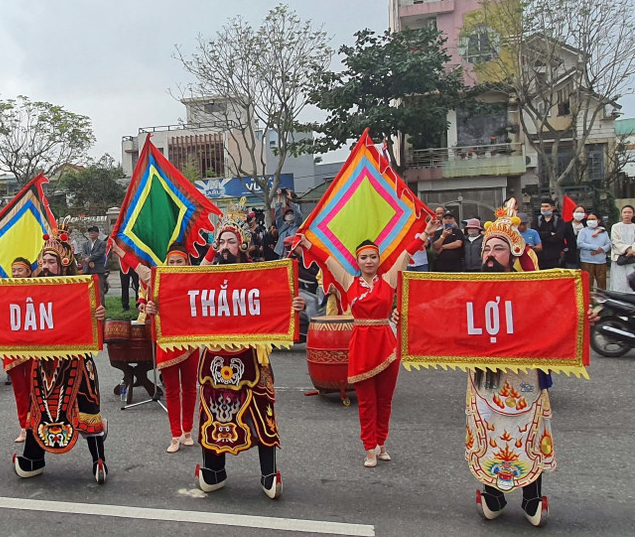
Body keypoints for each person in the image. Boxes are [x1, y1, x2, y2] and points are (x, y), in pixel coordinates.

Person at [177, 203, 305, 499]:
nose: (224, 247)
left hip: (251, 356)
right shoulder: (206, 277)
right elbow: (185, 289)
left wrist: (293, 305)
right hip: (214, 356)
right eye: (221, 241)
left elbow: (277, 298)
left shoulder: (257, 272)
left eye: (231, 241)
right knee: (212, 411)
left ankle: (268, 472)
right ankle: (213, 470)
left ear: (243, 244)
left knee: (262, 409)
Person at [0, 221, 110, 483]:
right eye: (44, 260)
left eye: (52, 261)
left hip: (75, 361)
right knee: (37, 406)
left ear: (63, 264)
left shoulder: (77, 286)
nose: (46, 265)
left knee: (87, 405)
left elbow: (93, 322)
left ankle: (99, 458)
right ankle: (33, 458)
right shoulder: (29, 289)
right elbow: (5, 312)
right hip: (43, 362)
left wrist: (99, 315)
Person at [310, 217, 439, 468]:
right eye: (364, 258)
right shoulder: (349, 282)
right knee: (367, 402)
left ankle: (381, 444)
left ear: (379, 260)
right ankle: (369, 447)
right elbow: (326, 260)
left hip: (386, 345)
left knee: (384, 400)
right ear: (357, 262)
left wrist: (425, 234)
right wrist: (306, 244)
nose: (369, 261)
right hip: (361, 346)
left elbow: (405, 254)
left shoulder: (389, 279)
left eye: (373, 257)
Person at [460, 203, 555, 526]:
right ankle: (493, 494)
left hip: (524, 377)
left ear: (514, 254)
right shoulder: (471, 288)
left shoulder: (534, 290)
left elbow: (558, 318)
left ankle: (532, 496)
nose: (490, 254)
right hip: (484, 379)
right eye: (486, 247)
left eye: (498, 248)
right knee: (487, 432)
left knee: (526, 432)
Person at [143, 243, 199, 454]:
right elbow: (150, 304)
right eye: (172, 262)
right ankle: (175, 434)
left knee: (190, 388)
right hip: (167, 342)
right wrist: (149, 307)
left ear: (187, 262)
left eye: (180, 261)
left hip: (190, 341)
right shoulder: (158, 282)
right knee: (172, 391)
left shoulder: (195, 280)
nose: (175, 265)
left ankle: (188, 431)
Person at [3, 258, 35, 444]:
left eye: (19, 270)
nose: (15, 274)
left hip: (33, 347)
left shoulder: (39, 288)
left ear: (29, 272)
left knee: (35, 388)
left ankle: (37, 424)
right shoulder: (5, 290)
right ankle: (24, 426)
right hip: (12, 347)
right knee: (19, 390)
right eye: (13, 270)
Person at [577, 213, 610, 290]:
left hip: (601, 261)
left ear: (598, 221)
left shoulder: (603, 232)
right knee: (588, 283)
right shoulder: (583, 231)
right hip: (587, 260)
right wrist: (595, 248)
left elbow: (608, 244)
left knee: (602, 283)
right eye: (589, 219)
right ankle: (589, 300)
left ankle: (602, 300)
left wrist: (600, 250)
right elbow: (580, 243)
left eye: (593, 219)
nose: (590, 221)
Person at [610, 205, 635, 292]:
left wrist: (632, 251)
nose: (627, 214)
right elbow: (615, 240)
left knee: (632, 281)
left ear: (633, 214)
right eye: (625, 212)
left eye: (629, 212)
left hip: (633, 258)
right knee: (619, 282)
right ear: (621, 214)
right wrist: (627, 249)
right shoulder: (615, 226)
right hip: (619, 258)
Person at [536, 198, 565, 270]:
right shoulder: (537, 220)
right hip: (540, 256)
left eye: (546, 206)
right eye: (542, 206)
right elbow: (536, 235)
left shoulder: (559, 221)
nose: (543, 209)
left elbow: (559, 237)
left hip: (555, 256)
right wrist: (549, 233)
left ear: (552, 208)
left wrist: (543, 236)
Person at [81, 226, 109, 295]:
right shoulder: (85, 244)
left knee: (99, 289)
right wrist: (89, 261)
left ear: (97, 233)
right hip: (87, 268)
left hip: (98, 268)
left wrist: (90, 258)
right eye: (90, 232)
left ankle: (101, 304)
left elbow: (100, 253)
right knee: (89, 289)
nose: (91, 233)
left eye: (93, 232)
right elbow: (83, 254)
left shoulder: (102, 243)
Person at [274, 190, 301, 257]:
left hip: (294, 254)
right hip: (282, 254)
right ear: (285, 216)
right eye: (288, 214)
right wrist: (279, 196)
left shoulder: (297, 225)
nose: (289, 215)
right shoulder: (281, 226)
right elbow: (278, 214)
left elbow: (298, 215)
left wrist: (290, 200)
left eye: (291, 214)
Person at [562, 205, 586, 269]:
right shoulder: (566, 225)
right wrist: (565, 248)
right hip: (571, 254)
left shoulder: (586, 224)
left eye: (581, 212)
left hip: (586, 254)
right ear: (573, 213)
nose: (579, 214)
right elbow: (561, 237)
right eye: (577, 212)